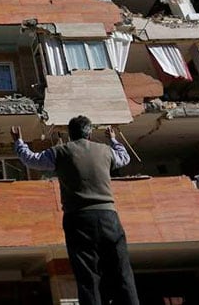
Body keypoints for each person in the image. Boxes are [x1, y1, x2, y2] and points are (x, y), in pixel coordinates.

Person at [11, 115, 140, 305]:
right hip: (108, 216)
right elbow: (124, 158)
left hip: (78, 219)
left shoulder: (61, 152)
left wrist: (19, 142)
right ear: (89, 134)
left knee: (87, 275)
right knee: (121, 271)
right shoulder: (105, 151)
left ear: (70, 134)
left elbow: (32, 160)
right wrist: (112, 139)